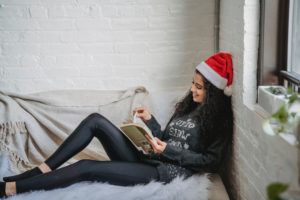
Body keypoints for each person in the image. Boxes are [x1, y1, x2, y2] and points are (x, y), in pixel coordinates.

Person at [0, 52, 234, 198]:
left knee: (86, 167)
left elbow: (211, 162)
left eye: (199, 87)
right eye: (193, 84)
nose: (192, 89)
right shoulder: (188, 106)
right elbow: (164, 138)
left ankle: (12, 190)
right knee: (95, 121)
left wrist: (167, 151)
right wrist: (149, 121)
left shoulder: (219, 121)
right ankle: (41, 169)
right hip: (150, 156)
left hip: (164, 172)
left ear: (213, 91)